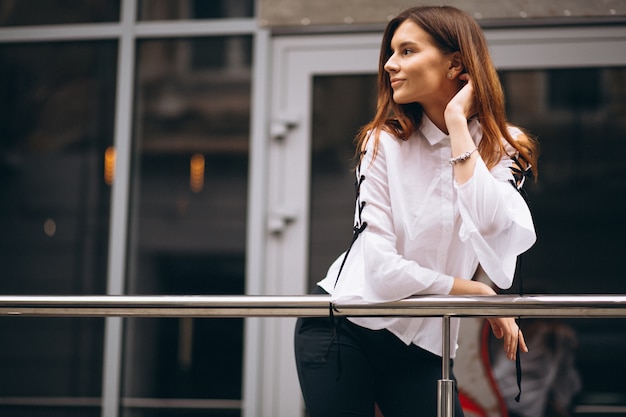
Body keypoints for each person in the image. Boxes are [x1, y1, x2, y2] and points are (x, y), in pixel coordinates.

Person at [294, 5, 539, 417]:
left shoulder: (505, 145)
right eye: (391, 52)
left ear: (455, 63)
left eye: (407, 51)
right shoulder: (382, 142)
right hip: (344, 326)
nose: (390, 64)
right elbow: (383, 272)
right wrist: (478, 294)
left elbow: (495, 226)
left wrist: (457, 122)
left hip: (424, 341)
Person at [491, 319, 582, 417]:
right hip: (524, 405)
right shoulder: (557, 334)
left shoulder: (508, 325)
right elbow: (564, 381)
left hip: (496, 394)